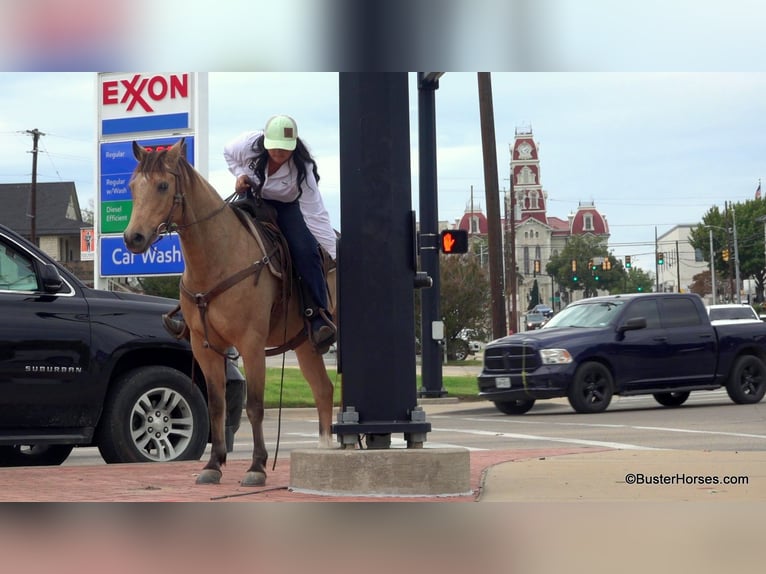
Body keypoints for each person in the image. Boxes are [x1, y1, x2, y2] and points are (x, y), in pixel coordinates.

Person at [223, 115, 337, 354]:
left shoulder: (302, 170)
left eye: (285, 149)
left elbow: (316, 213)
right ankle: (189, 307)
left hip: (286, 209)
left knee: (306, 251)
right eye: (274, 146)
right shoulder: (248, 144)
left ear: (294, 147)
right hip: (251, 200)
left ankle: (318, 317)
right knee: (219, 235)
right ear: (265, 141)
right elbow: (228, 153)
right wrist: (240, 175)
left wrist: (336, 253)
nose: (278, 152)